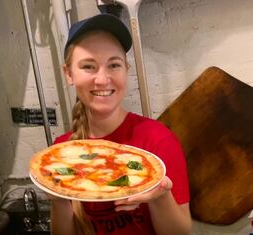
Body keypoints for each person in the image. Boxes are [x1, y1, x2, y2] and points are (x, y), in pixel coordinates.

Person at [49, 13, 191, 235]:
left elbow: (180, 233)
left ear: (127, 69)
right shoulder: (61, 152)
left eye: (114, 65)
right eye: (88, 66)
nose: (103, 79)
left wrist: (160, 195)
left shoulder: (157, 140)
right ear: (68, 74)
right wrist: (58, 200)